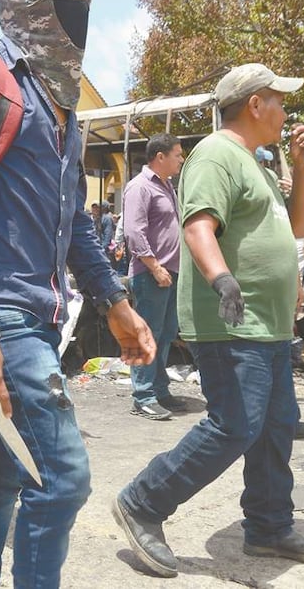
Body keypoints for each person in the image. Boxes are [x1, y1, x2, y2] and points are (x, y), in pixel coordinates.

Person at [0, 0, 156, 587]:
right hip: (1, 313)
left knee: (7, 471)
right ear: (29, 6)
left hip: (45, 315)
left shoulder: (64, 107)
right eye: (65, 6)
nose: (77, 23)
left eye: (83, 8)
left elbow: (77, 222)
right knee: (63, 479)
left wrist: (116, 303)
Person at [113, 63, 304, 578]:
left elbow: (299, 225)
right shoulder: (217, 154)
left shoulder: (256, 162)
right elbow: (198, 227)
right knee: (234, 425)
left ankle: (268, 526)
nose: (285, 111)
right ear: (255, 104)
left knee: (275, 426)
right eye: (279, 100)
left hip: (271, 323)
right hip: (234, 320)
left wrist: (303, 167)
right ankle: (142, 502)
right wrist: (222, 280)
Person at [122, 132, 188, 420]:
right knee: (146, 334)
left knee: (166, 333)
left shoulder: (167, 187)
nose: (181, 159)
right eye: (178, 154)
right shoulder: (140, 187)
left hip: (170, 273)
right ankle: (143, 396)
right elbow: (134, 232)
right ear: (160, 156)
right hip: (151, 274)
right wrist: (155, 266)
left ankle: (159, 390)